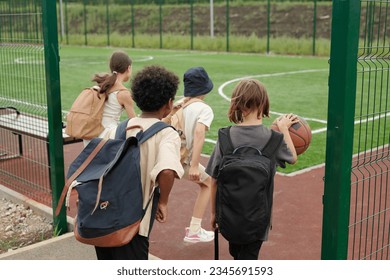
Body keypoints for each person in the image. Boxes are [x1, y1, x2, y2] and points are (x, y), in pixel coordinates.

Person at [94, 65, 184, 260]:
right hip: (132, 226)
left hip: (104, 219)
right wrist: (164, 202)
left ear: (135, 98)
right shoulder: (167, 134)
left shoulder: (117, 129)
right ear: (169, 103)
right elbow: (167, 171)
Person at [205, 79, 298, 260]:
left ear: (237, 105)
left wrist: (214, 214)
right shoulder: (273, 139)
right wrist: (284, 129)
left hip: (229, 217)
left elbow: (214, 179)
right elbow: (293, 158)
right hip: (258, 220)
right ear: (264, 103)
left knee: (236, 254)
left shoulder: (225, 137)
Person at [165, 67, 215, 243]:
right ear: (205, 88)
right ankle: (194, 230)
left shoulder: (180, 105)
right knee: (209, 183)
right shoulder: (204, 109)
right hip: (181, 161)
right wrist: (194, 165)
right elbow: (199, 134)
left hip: (166, 157)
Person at [84, 50, 136, 146]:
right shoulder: (124, 93)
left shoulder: (103, 84)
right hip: (107, 138)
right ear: (128, 68)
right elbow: (134, 122)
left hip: (90, 135)